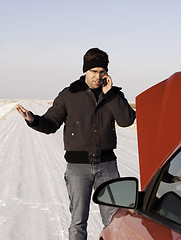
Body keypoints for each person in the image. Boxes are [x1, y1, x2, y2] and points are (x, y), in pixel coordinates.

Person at [16, 48, 136, 240]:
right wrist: (33, 120)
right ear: (85, 71)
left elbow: (127, 120)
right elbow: (51, 123)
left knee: (115, 220)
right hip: (78, 168)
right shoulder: (69, 95)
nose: (98, 76)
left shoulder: (113, 95)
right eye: (94, 71)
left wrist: (111, 94)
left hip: (107, 167)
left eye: (102, 71)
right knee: (78, 221)